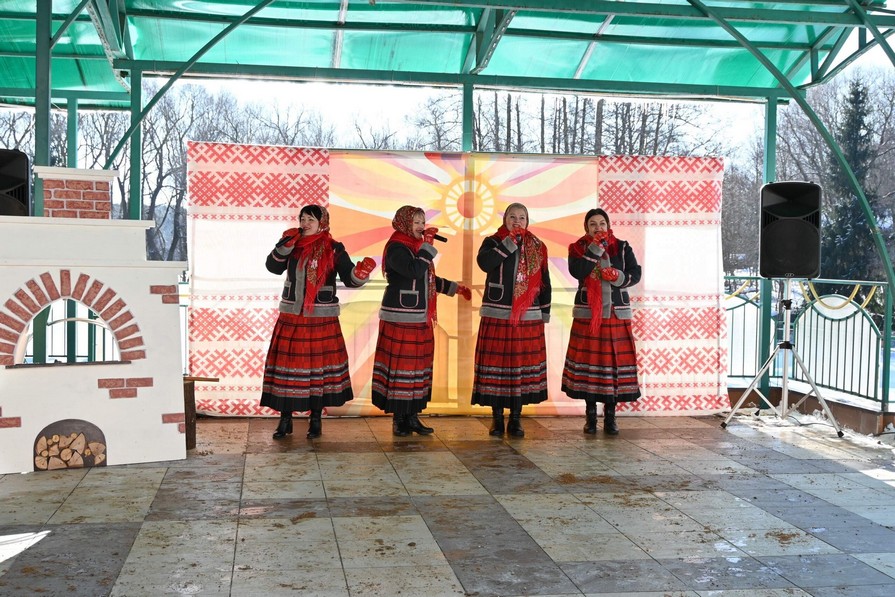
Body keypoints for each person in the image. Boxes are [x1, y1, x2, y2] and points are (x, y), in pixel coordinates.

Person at [260, 204, 376, 439]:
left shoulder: (334, 248)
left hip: (321, 317)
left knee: (317, 371)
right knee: (289, 369)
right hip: (293, 316)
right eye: (302, 219)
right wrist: (284, 246)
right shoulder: (291, 243)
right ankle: (285, 420)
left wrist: (361, 273)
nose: (305, 224)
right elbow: (272, 267)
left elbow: (350, 279)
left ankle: (315, 419)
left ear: (322, 223)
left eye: (310, 220)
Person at [372, 206, 472, 435]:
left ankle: (413, 417)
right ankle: (399, 420)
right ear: (404, 223)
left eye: (422, 222)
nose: (420, 226)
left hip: (420, 318)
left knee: (417, 370)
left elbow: (428, 279)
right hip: (401, 317)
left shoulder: (417, 247)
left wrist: (455, 288)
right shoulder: (396, 247)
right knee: (401, 369)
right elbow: (414, 271)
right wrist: (428, 246)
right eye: (416, 222)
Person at [471, 202, 551, 437]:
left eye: (522, 218)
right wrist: (509, 243)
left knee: (520, 369)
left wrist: (544, 311)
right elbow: (485, 263)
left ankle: (516, 419)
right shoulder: (493, 241)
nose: (517, 221)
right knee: (497, 367)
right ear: (505, 220)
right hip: (498, 313)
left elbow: (545, 280)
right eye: (513, 217)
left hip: (528, 316)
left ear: (528, 221)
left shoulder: (538, 246)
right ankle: (497, 419)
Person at [561, 208, 642, 435]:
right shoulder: (577, 248)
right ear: (586, 228)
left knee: (611, 368)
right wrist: (595, 248)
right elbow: (578, 271)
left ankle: (610, 418)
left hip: (615, 314)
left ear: (608, 225)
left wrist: (618, 277)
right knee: (590, 367)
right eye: (593, 224)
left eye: (602, 223)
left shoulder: (622, 247)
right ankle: (590, 418)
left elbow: (635, 273)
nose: (598, 228)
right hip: (589, 315)